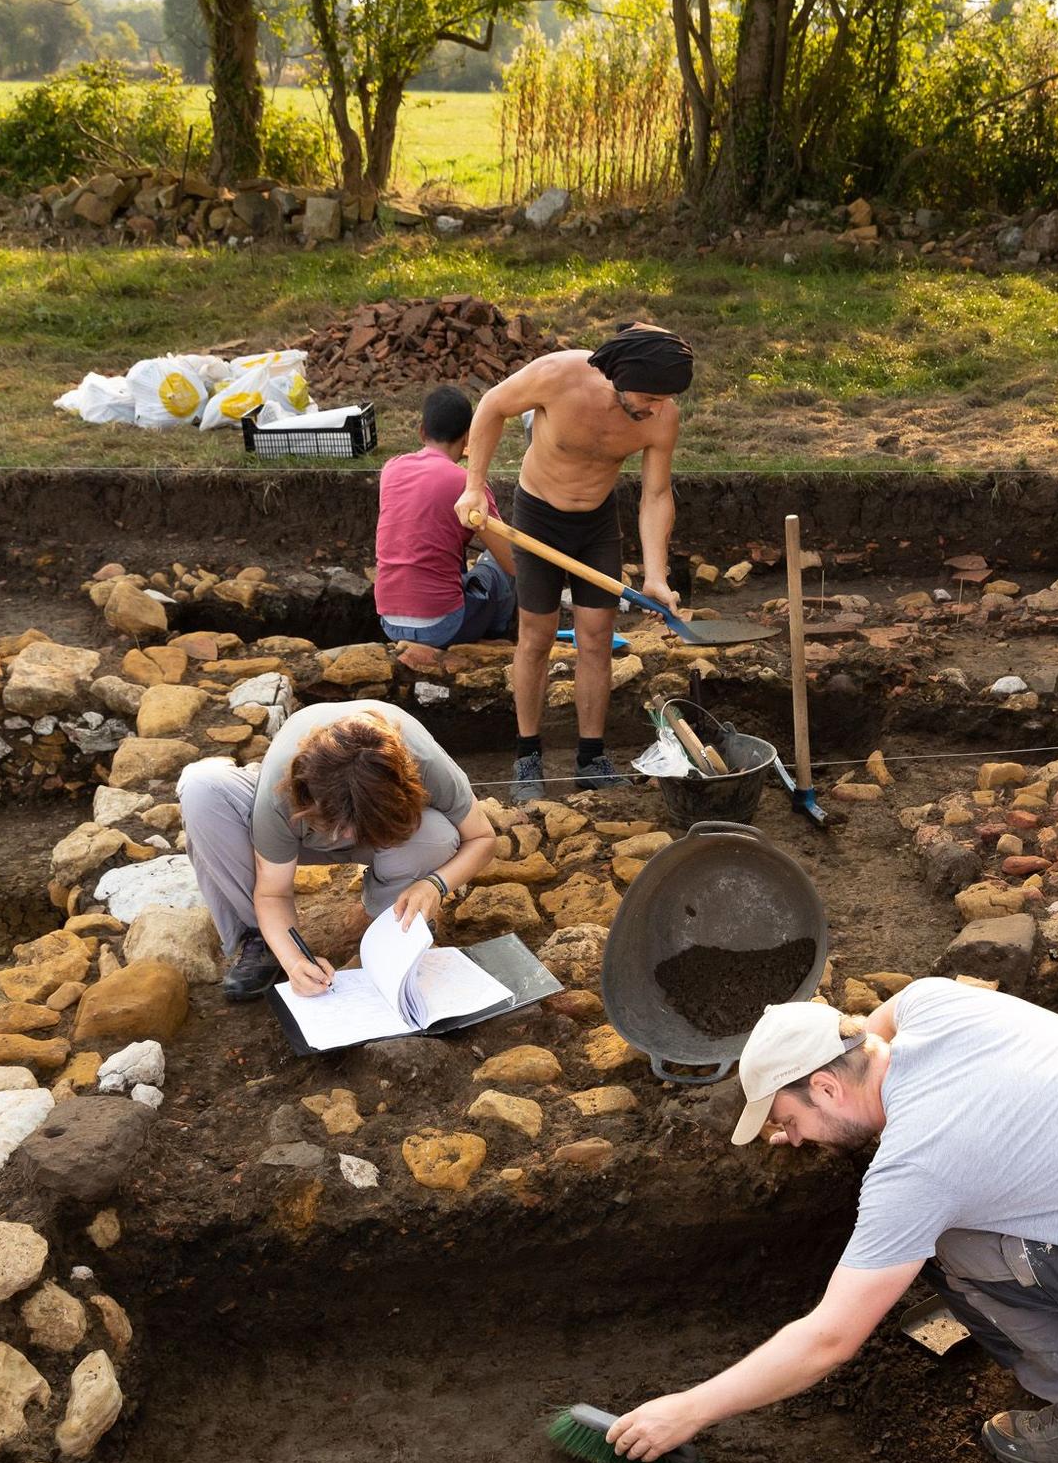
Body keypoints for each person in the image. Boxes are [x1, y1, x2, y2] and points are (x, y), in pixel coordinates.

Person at [606, 979, 1058, 1463]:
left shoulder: (919, 1166)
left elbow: (829, 1338)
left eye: (790, 1122)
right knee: (988, 1243)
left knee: (954, 1255)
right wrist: (801, 1097)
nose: (791, 1140)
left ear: (826, 1085)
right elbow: (873, 1025)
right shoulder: (932, 1004)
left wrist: (687, 1410)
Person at [454, 322, 693, 802]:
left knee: (597, 638)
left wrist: (655, 575)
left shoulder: (661, 417)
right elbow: (492, 407)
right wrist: (473, 484)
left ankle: (591, 757)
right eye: (649, 396)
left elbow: (655, 495)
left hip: (597, 525)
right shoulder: (558, 375)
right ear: (619, 376)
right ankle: (527, 756)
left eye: (664, 399)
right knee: (536, 636)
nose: (656, 408)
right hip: (537, 516)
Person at [178, 700, 496, 1001]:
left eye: (352, 826)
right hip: (300, 832)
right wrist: (294, 960)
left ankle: (393, 929)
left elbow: (482, 838)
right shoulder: (285, 788)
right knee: (202, 789)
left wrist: (434, 884)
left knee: (436, 833)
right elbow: (272, 893)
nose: (343, 836)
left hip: (389, 835)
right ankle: (263, 938)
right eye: (337, 824)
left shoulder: (423, 761)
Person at [374, 384, 516, 649]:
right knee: (494, 565)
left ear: (421, 431)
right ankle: (497, 638)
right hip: (443, 626)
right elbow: (512, 562)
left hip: (390, 621)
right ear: (467, 439)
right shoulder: (468, 485)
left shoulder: (390, 469)